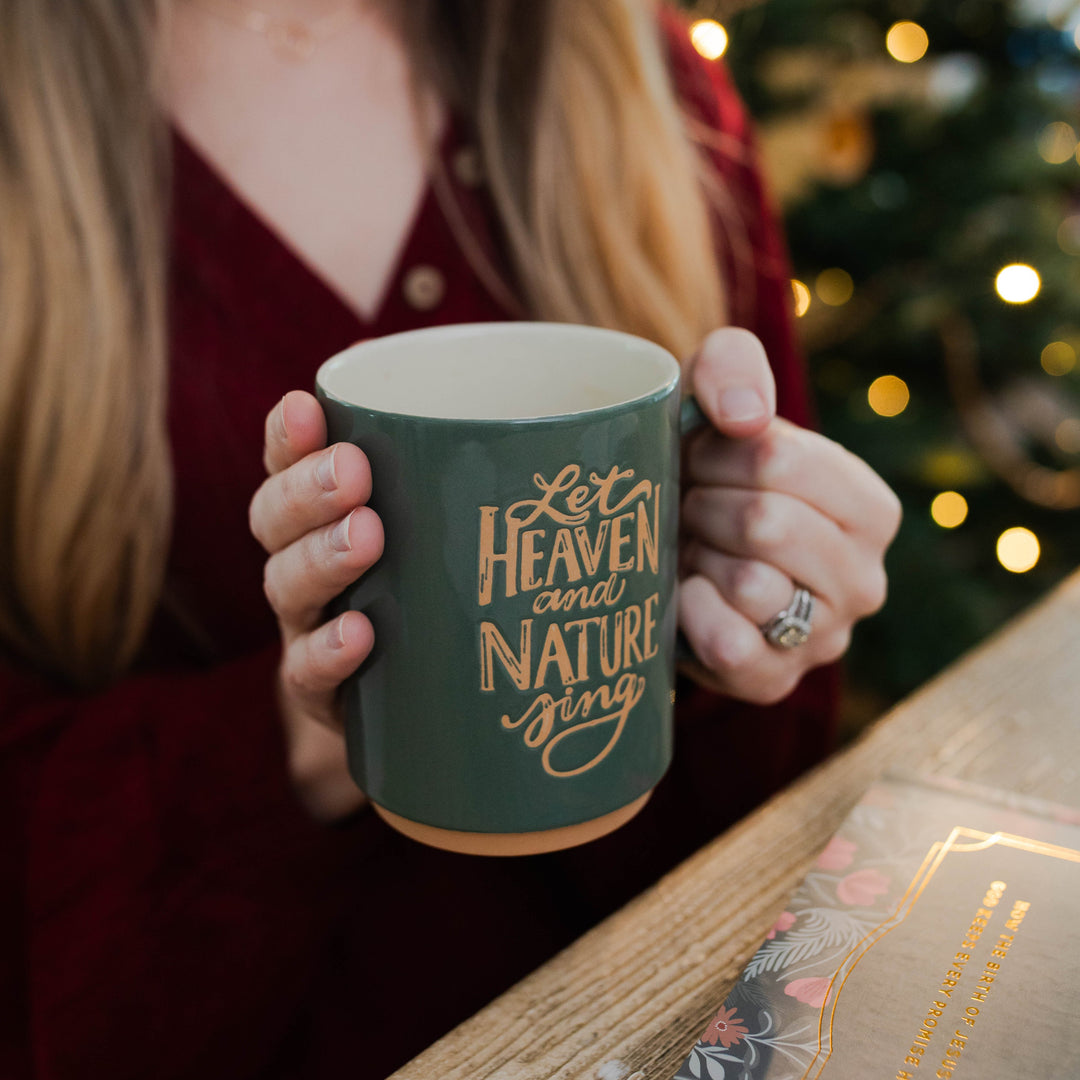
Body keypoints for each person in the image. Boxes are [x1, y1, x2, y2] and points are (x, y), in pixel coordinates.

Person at [0, 1, 900, 1077]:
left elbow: (764, 797)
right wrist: (325, 719)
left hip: (661, 1021)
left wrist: (778, 599)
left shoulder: (645, 77)